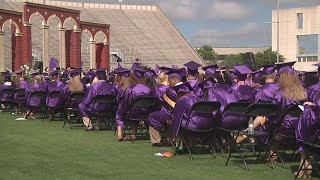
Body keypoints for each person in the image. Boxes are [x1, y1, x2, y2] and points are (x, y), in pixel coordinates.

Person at [116, 68, 151, 141]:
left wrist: (121, 113)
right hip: (146, 114)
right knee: (137, 110)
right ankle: (133, 133)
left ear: (133, 78)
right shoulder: (149, 89)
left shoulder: (130, 89)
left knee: (120, 112)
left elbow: (125, 104)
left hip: (132, 114)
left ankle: (120, 133)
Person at [147, 70, 170, 146]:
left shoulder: (158, 89)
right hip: (177, 112)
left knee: (151, 116)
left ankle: (156, 140)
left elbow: (154, 100)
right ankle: (170, 138)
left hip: (166, 112)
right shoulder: (174, 87)